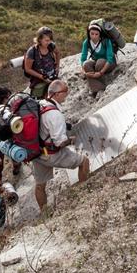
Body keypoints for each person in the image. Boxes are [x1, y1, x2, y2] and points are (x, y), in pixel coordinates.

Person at [34, 80, 90, 210]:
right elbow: (59, 142)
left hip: (37, 152)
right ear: (56, 94)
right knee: (84, 162)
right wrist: (71, 140)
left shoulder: (40, 104)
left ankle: (44, 213)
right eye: (65, 92)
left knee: (40, 185)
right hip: (51, 155)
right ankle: (85, 196)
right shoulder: (54, 113)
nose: (67, 95)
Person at [0, 86, 22, 176]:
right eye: (8, 97)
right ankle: (15, 165)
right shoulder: (0, 110)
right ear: (3, 98)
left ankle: (15, 165)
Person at [23, 26, 60, 99]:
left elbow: (57, 53)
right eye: (46, 40)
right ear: (39, 39)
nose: (49, 42)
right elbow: (27, 69)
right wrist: (41, 77)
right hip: (38, 80)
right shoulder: (32, 51)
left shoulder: (51, 46)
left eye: (50, 40)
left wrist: (57, 66)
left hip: (52, 76)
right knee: (40, 100)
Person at [80, 23, 116, 95]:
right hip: (97, 63)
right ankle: (98, 88)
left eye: (96, 34)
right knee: (86, 64)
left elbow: (110, 58)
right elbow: (83, 58)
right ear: (88, 33)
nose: (94, 36)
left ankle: (98, 88)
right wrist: (84, 72)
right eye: (92, 34)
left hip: (109, 63)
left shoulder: (106, 41)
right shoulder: (86, 42)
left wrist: (100, 73)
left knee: (99, 63)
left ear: (100, 34)